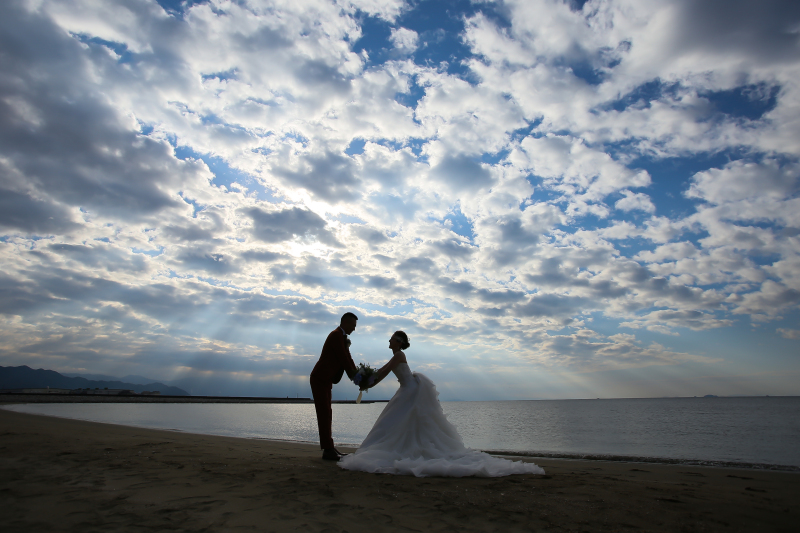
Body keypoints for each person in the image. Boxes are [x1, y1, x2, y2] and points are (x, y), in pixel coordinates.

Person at [338, 331, 545, 477]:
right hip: (406, 389)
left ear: (399, 342)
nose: (389, 342)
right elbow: (381, 373)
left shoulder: (399, 355)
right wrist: (366, 381)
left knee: (395, 423)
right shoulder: (397, 355)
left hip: (409, 391)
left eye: (391, 339)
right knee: (397, 424)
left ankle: (406, 450)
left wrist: (367, 382)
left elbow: (382, 373)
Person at [310, 312, 360, 461]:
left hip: (326, 380)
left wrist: (358, 375)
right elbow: (343, 358)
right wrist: (356, 378)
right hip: (319, 378)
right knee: (324, 412)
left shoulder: (342, 337)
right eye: (353, 325)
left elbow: (348, 357)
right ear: (345, 323)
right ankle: (328, 450)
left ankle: (330, 448)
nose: (354, 329)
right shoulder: (336, 335)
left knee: (327, 413)